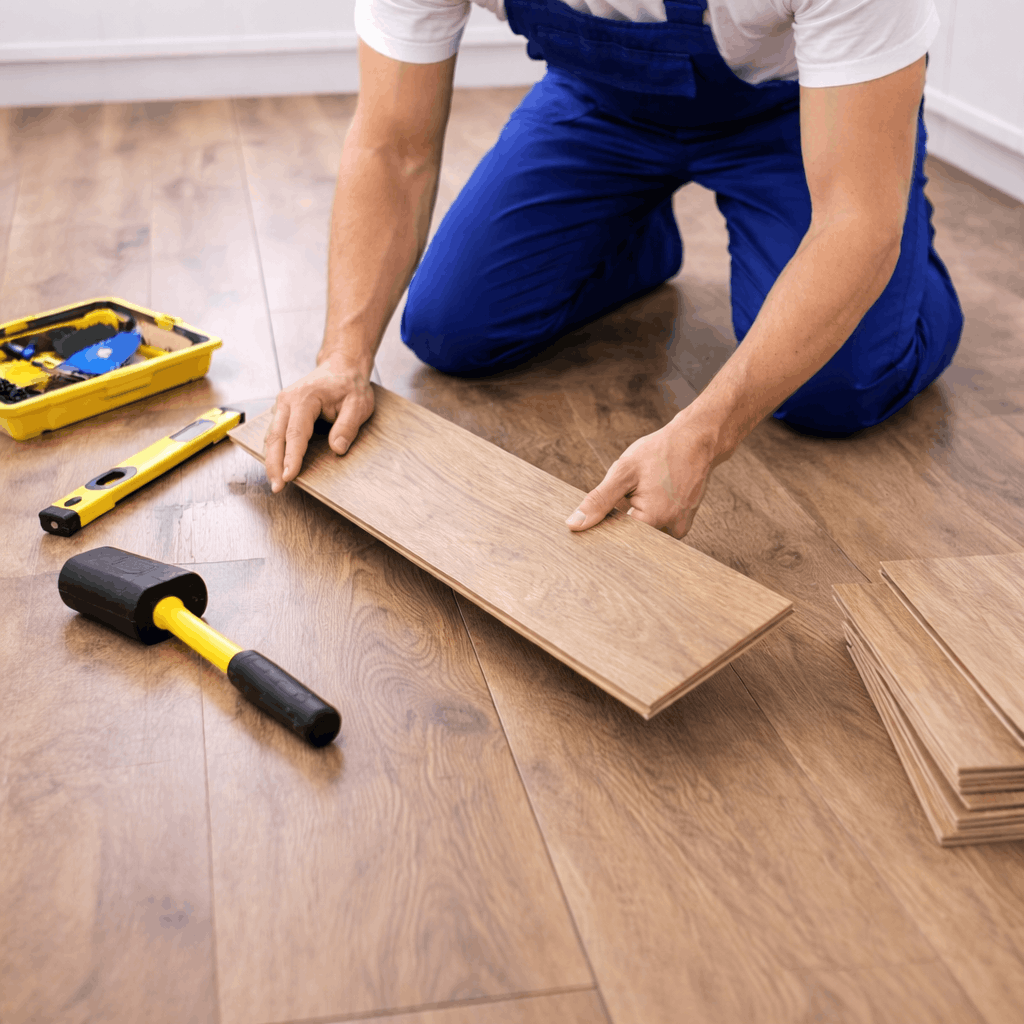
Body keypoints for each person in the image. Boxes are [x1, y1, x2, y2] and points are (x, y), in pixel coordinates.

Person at [264, 0, 963, 539]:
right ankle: (632, 235)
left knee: (834, 390)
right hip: (601, 103)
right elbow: (391, 148)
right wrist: (341, 359)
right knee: (452, 328)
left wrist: (702, 432)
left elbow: (854, 220)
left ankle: (905, 288)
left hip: (801, 113)